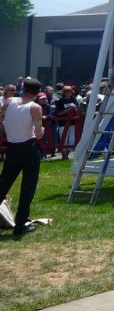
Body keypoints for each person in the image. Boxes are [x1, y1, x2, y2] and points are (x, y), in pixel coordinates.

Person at [0, 78, 45, 235]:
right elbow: (38, 135)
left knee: (3, 183)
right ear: (38, 92)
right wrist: (43, 129)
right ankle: (21, 223)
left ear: (23, 88)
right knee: (28, 187)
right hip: (28, 148)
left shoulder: (9, 101)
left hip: (12, 147)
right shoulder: (35, 107)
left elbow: (2, 119)